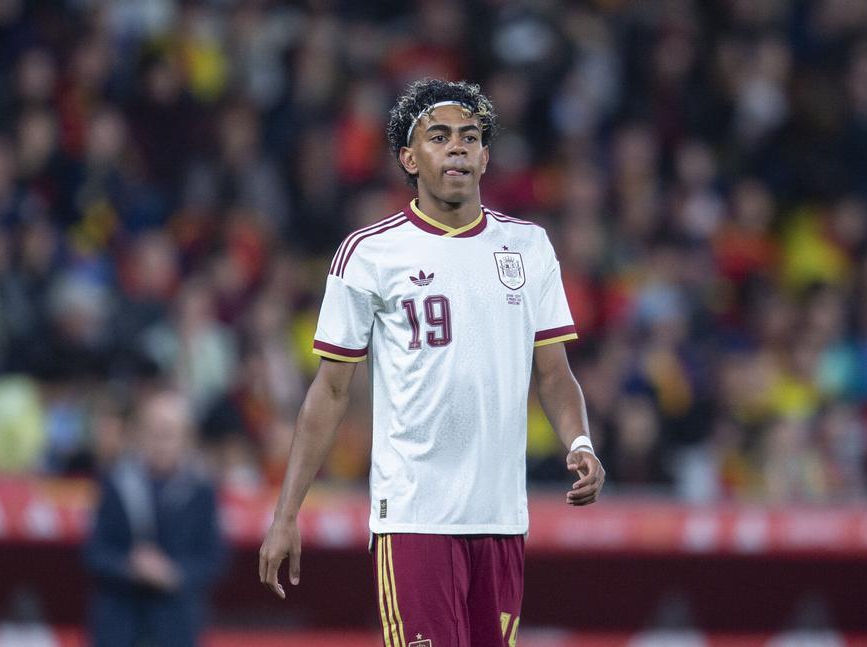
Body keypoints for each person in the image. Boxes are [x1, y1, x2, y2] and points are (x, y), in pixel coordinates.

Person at [259, 79, 605, 647]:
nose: (458, 147)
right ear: (409, 158)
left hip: (501, 517)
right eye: (439, 136)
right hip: (414, 516)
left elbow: (554, 372)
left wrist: (581, 442)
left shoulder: (529, 248)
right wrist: (286, 513)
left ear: (485, 157)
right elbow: (331, 391)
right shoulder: (370, 254)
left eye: (470, 137)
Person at [84, 389, 226, 647]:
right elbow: (95, 551)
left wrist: (174, 573)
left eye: (168, 433)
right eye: (153, 432)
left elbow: (212, 558)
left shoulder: (201, 490)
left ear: (186, 438)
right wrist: (130, 566)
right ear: (139, 434)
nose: (160, 442)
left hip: (175, 624)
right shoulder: (116, 482)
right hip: (120, 622)